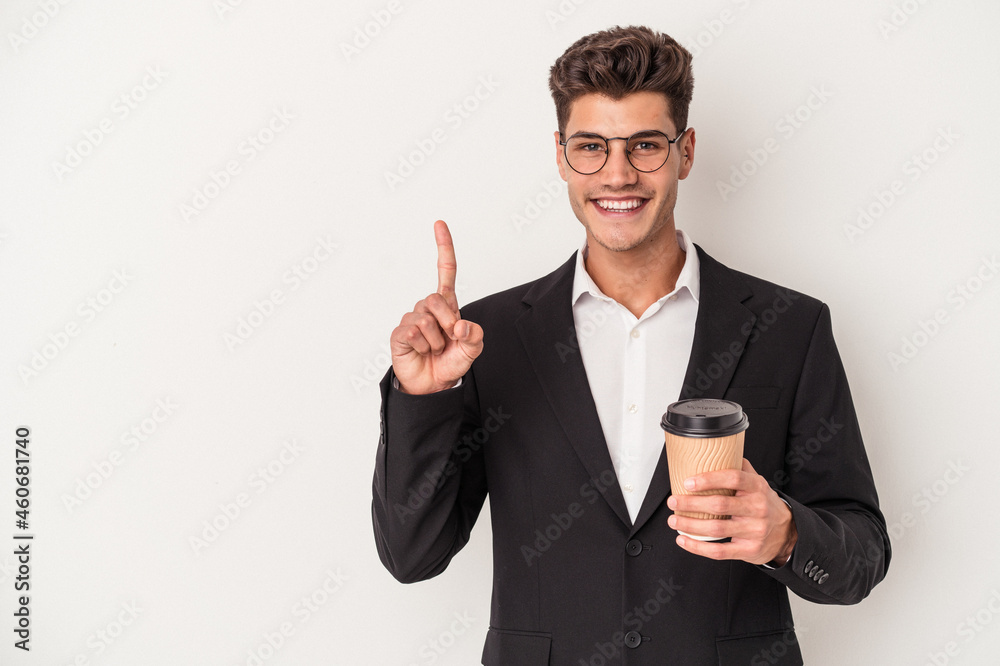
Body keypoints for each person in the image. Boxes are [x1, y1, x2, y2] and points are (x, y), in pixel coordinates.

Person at [372, 25, 890, 665]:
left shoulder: (791, 327)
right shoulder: (486, 339)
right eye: (591, 146)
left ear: (686, 151)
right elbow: (411, 555)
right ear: (561, 155)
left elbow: (861, 556)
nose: (618, 175)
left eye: (645, 145)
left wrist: (785, 534)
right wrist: (425, 398)